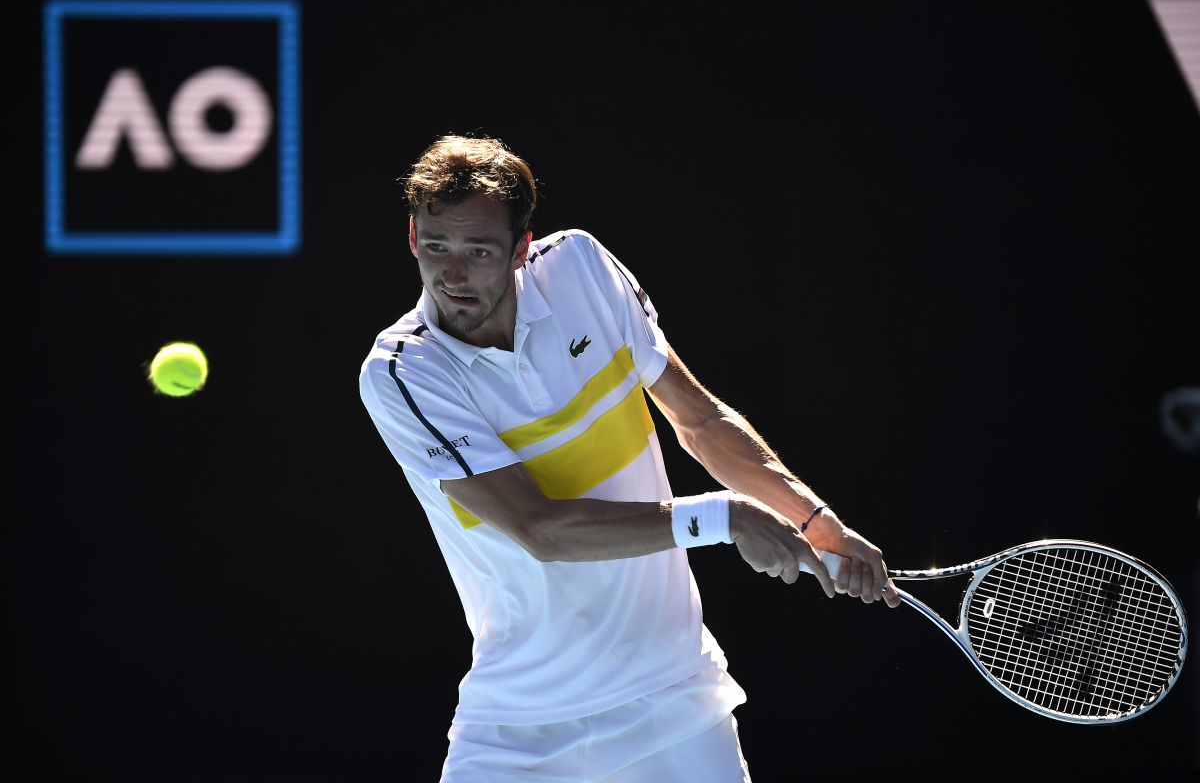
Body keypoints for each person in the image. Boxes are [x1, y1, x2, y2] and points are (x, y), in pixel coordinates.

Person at [358, 134, 901, 782]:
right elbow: (540, 529)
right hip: (521, 728)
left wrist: (816, 523)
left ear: (522, 250)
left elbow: (699, 420)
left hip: (673, 699)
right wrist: (722, 518)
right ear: (412, 238)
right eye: (436, 248)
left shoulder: (582, 269)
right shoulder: (405, 373)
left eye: (479, 253)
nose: (453, 276)